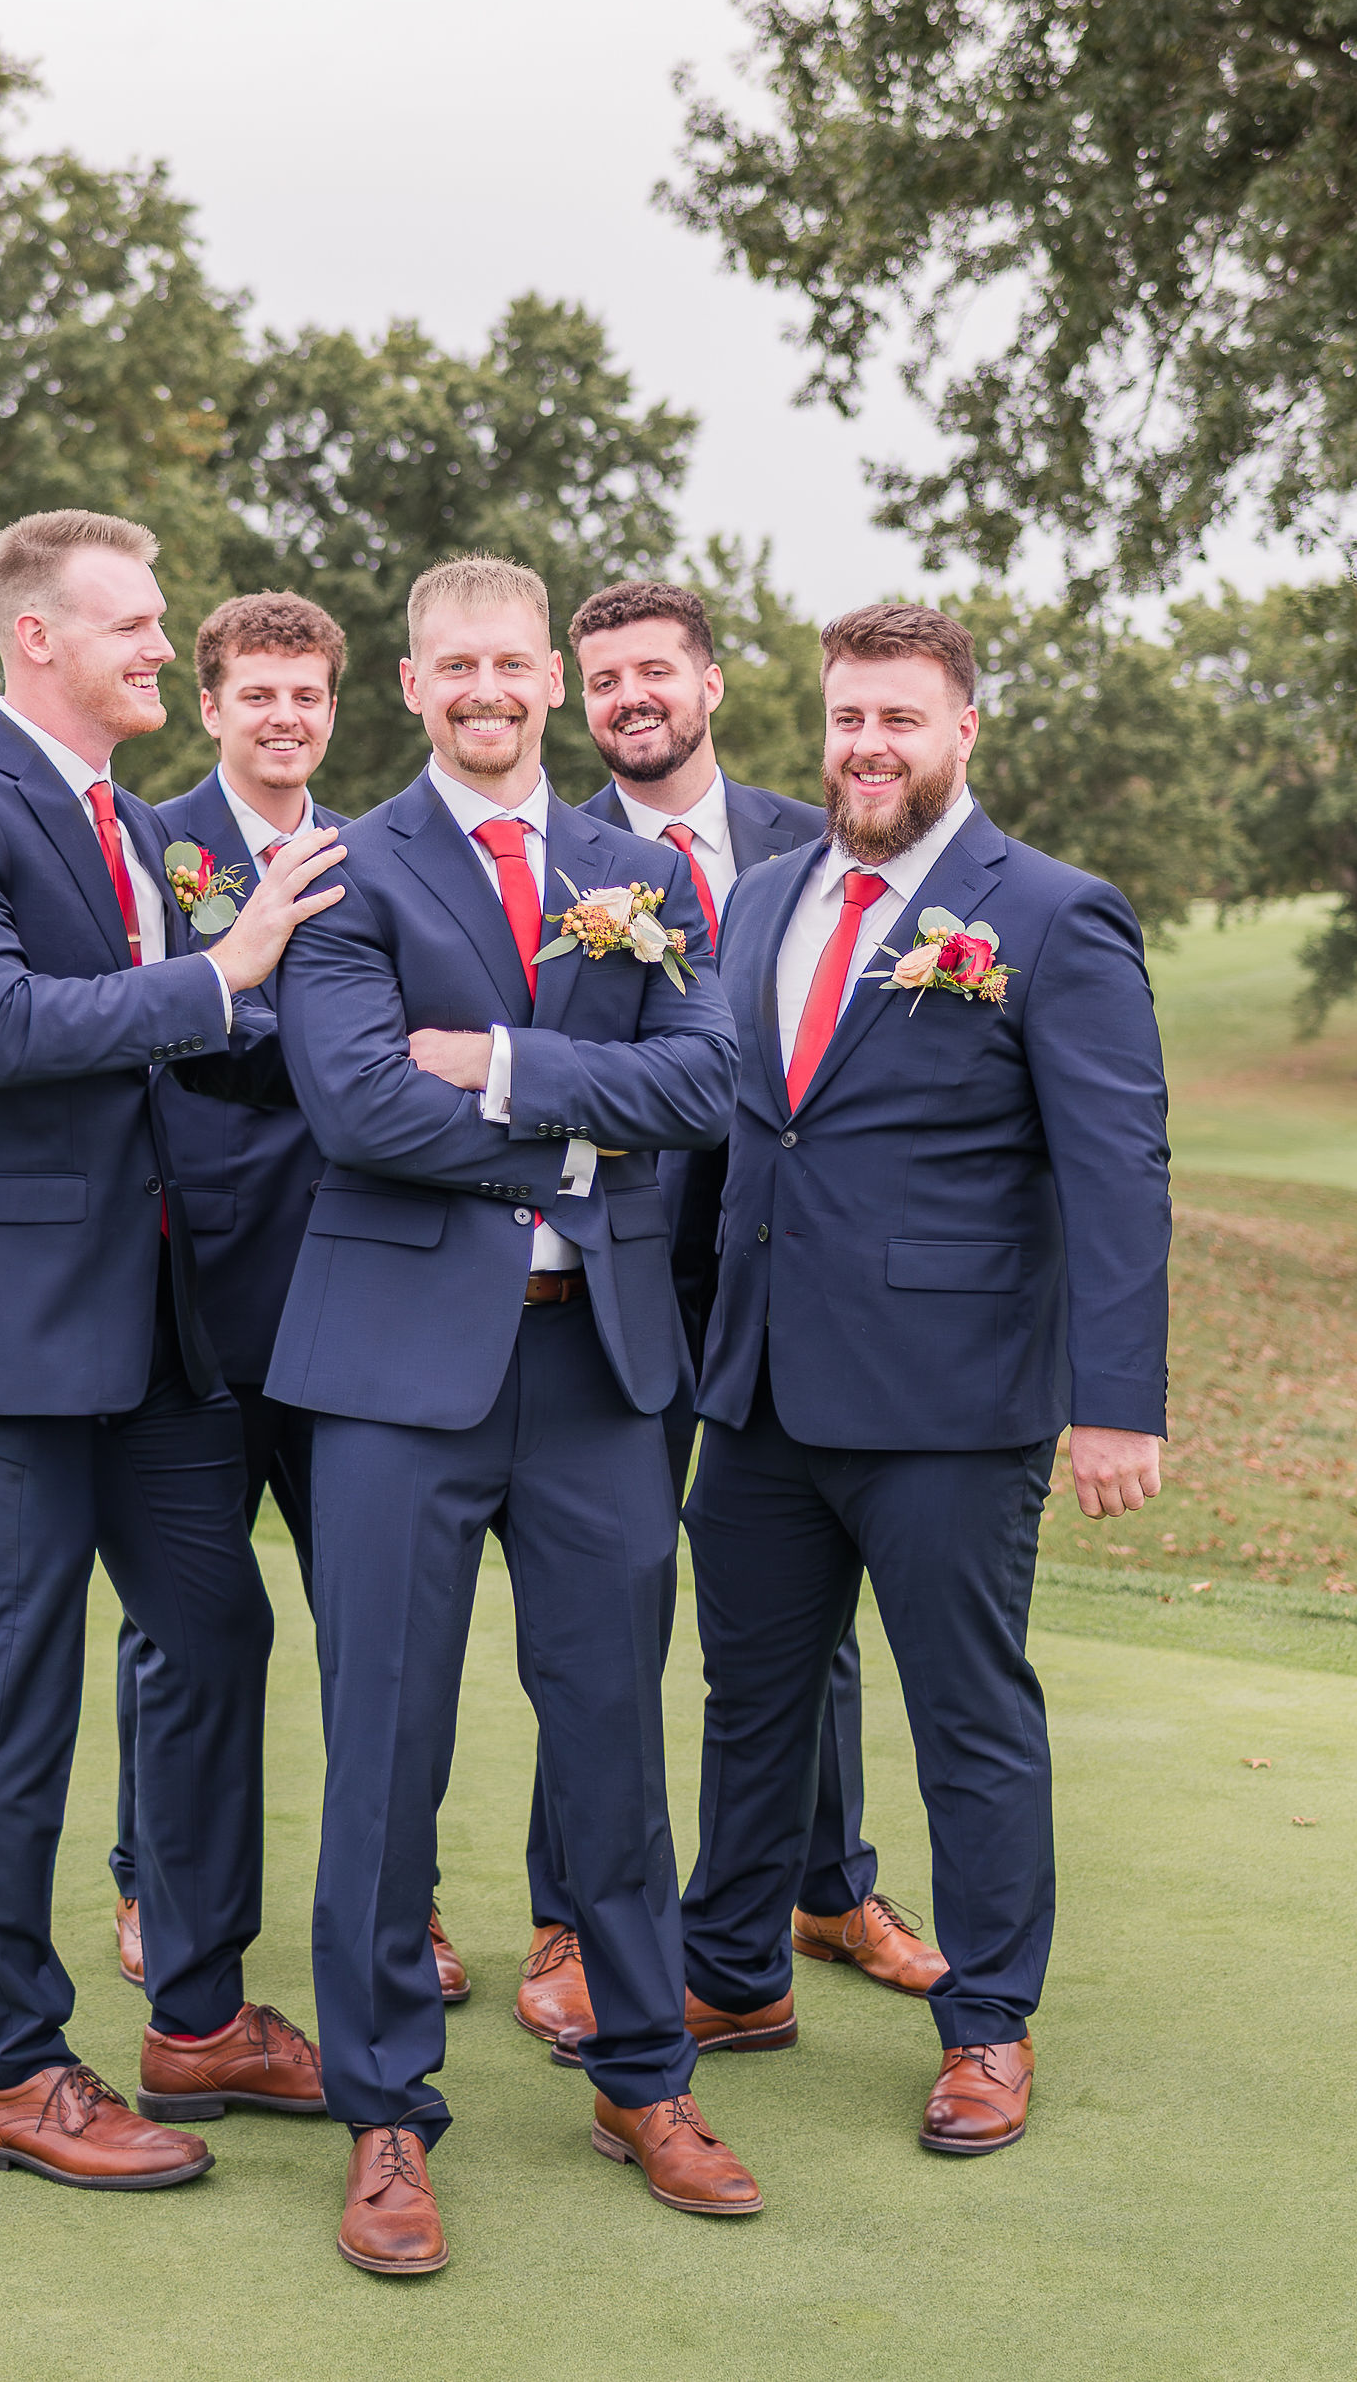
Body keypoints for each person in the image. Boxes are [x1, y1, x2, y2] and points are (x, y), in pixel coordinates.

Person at [265, 553, 761, 2274]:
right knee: (383, 1751)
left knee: (615, 1737)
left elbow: (709, 1083)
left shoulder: (638, 871)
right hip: (397, 1375)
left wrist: (488, 1063)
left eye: (511, 662)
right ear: (412, 685)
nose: (486, 688)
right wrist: (576, 1124)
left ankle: (644, 2073)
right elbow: (346, 1104)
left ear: (554, 677)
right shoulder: (347, 864)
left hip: (601, 1367)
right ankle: (386, 2116)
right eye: (452, 664)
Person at [0, 511, 344, 2187]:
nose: (161, 647)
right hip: (2, 1342)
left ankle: (196, 2014)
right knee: (13, 1701)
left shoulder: (138, 826)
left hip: (159, 1334)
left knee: (214, 1631)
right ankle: (9, 2066)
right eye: (133, 626)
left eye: (158, 624)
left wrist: (432, 1061)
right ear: (33, 641)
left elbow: (212, 1045)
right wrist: (226, 973)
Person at [676, 600, 1170, 2154]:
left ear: (963, 730)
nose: (868, 745)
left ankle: (985, 2026)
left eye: (899, 717)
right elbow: (738, 1125)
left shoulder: (1051, 913)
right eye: (845, 718)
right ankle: (736, 1972)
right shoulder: (761, 901)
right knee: (751, 1705)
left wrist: (1119, 1399)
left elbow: (1118, 1168)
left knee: (969, 1716)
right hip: (755, 1391)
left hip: (954, 1404)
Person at [514, 579, 942, 2064]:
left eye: (656, 671)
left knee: (798, 1620)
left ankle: (827, 1890)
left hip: (784, 1283)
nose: (631, 694)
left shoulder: (812, 839)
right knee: (606, 1607)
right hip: (611, 1280)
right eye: (605, 675)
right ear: (582, 696)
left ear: (708, 683)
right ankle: (572, 1911)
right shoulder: (545, 856)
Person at [106, 590, 466, 2003]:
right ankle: (156, 1882)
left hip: (363, 1302)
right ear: (211, 704)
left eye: (306, 696)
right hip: (198, 1297)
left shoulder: (374, 857)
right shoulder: (155, 846)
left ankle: (404, 1904)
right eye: (257, 693)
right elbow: (187, 1035)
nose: (284, 717)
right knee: (185, 1632)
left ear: (336, 706)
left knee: (385, 1632)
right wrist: (346, 1046)